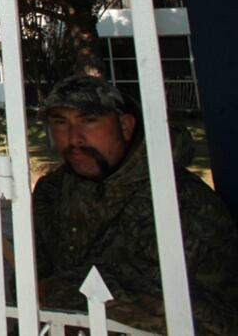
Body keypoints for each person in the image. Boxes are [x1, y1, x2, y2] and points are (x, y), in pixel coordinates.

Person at [32, 75, 238, 334]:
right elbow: (30, 282)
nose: (75, 138)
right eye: (60, 123)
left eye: (89, 120)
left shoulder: (179, 200)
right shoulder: (52, 192)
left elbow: (209, 317)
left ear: (126, 127)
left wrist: (59, 291)